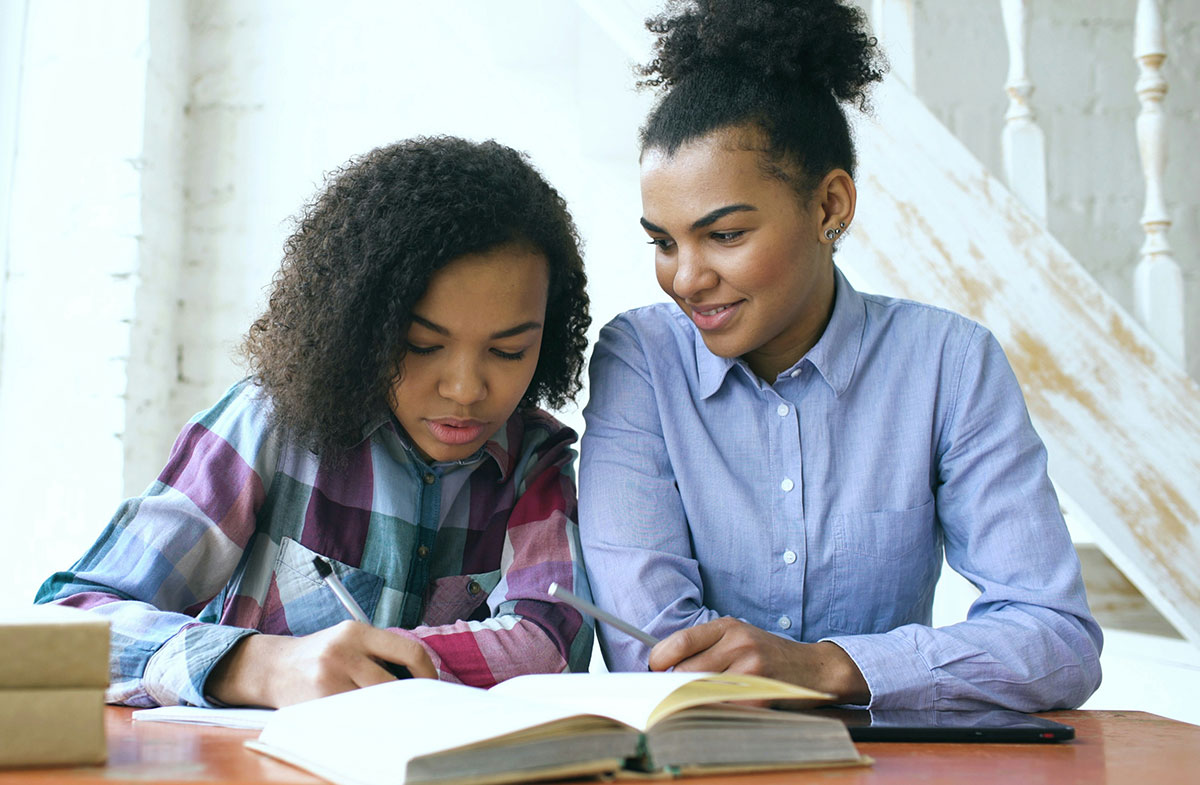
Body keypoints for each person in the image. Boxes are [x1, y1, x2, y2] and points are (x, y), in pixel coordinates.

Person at [578, 0, 1102, 712]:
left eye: (725, 234)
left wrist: (827, 665)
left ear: (830, 206)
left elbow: (1056, 641)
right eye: (664, 242)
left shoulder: (949, 363)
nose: (687, 278)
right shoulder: (639, 359)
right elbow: (656, 648)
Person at [36, 136, 594, 708]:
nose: (465, 389)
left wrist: (365, 666)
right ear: (363, 325)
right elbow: (63, 627)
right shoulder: (270, 426)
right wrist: (254, 664)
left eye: (508, 352)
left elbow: (549, 646)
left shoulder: (536, 462)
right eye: (422, 345)